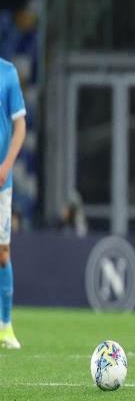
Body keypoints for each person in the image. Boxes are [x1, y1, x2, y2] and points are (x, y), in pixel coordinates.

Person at [0, 58, 26, 349]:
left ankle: (5, 327)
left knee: (2, 253)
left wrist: (6, 165)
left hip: (1, 181)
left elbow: (20, 126)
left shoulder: (7, 73)